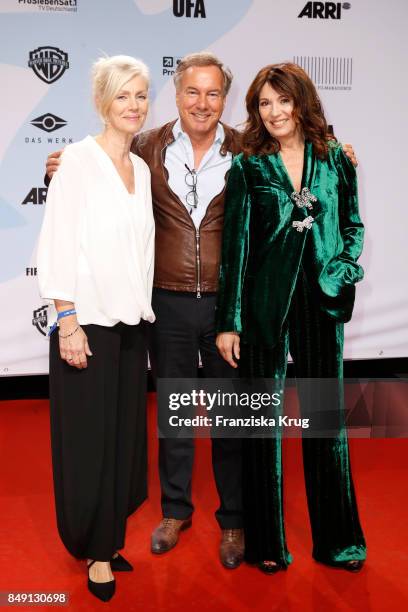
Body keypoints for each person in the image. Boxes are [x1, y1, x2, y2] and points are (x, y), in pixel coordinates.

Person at [45, 52, 358, 570]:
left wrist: (337, 151)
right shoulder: (146, 146)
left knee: (233, 418)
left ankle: (233, 519)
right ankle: (174, 511)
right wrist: (59, 162)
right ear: (176, 93)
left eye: (214, 93)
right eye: (193, 91)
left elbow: (302, 160)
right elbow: (100, 159)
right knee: (175, 414)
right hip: (164, 301)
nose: (203, 103)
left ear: (226, 100)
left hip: (226, 305)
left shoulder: (248, 148)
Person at [216, 63, 366, 574]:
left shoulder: (336, 160)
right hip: (264, 306)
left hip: (321, 304)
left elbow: (352, 226)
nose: (275, 112)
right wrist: (228, 321)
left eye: (283, 101)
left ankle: (339, 543)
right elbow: (234, 251)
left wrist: (341, 270)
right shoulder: (249, 167)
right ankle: (268, 546)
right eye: (264, 104)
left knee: (326, 422)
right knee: (263, 426)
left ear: (302, 102)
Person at [37, 55, 155, 601]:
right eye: (123, 96)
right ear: (102, 102)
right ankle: (95, 552)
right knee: (89, 443)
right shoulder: (78, 163)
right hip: (86, 324)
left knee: (122, 440)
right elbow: (58, 243)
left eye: (141, 96)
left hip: (130, 324)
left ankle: (109, 536)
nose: (133, 106)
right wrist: (67, 323)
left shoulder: (143, 168)